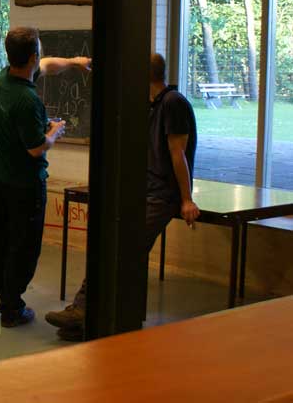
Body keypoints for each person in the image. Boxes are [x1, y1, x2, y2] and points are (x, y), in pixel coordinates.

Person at [45, 52, 200, 340]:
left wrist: (186, 199)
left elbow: (178, 153)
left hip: (161, 195)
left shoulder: (172, 103)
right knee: (110, 243)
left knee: (124, 248)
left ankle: (85, 310)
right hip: (143, 189)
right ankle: (87, 316)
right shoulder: (150, 104)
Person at [0, 27, 91, 327]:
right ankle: (12, 309)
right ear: (32, 56)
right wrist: (54, 131)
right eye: (39, 50)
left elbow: (48, 65)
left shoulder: (4, 79)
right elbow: (37, 148)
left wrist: (74, 62)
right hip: (23, 186)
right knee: (23, 249)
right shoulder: (27, 100)